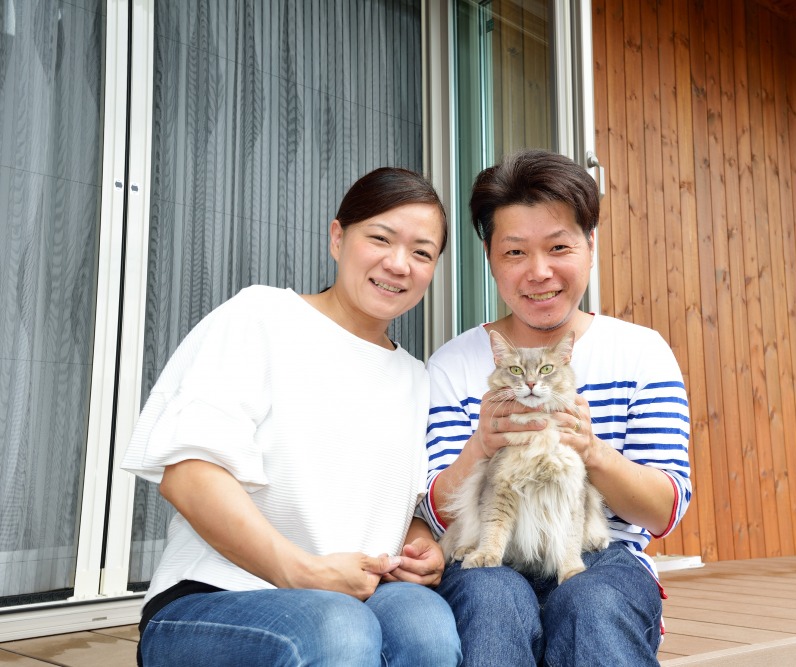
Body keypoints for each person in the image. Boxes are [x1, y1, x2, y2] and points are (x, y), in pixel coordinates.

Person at [122, 167, 462, 667]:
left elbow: (405, 505)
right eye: (380, 238)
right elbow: (188, 477)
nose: (398, 264)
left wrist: (419, 548)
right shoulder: (262, 317)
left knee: (426, 625)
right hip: (217, 596)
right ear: (337, 237)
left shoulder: (415, 377)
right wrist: (303, 572)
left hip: (359, 597)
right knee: (338, 629)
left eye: (421, 253)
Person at [418, 149, 692, 666]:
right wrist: (482, 445)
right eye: (516, 252)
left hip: (600, 553)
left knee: (591, 604)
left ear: (590, 245)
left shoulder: (640, 351)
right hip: (493, 549)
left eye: (558, 246)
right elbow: (436, 511)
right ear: (490, 257)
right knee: (491, 599)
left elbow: (664, 510)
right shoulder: (454, 364)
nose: (539, 272)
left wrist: (592, 451)